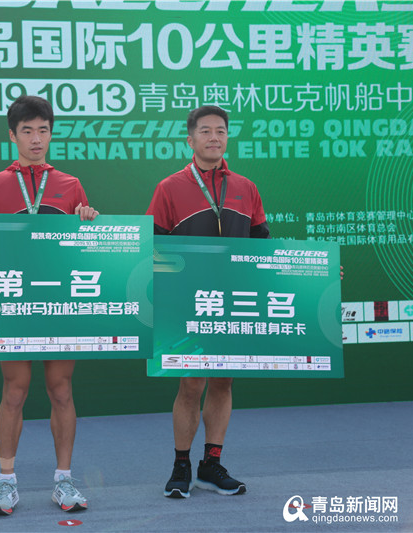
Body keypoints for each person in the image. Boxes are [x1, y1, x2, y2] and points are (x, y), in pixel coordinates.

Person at [0, 95, 98, 516]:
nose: (36, 138)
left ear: (51, 134)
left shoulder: (70, 184)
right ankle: (6, 484)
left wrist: (89, 222)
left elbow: (84, 249)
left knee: (61, 389)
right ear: (13, 135)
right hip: (12, 302)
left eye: (43, 130)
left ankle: (64, 480)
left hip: (59, 301)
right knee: (15, 391)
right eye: (27, 131)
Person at [146, 105, 270, 499]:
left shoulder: (246, 188)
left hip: (233, 301)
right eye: (205, 131)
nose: (214, 137)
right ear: (191, 139)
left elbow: (265, 250)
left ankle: (210, 465)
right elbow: (151, 249)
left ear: (227, 137)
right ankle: (181, 465)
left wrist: (317, 277)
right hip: (189, 302)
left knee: (223, 381)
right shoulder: (169, 187)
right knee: (191, 383)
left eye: (220, 131)